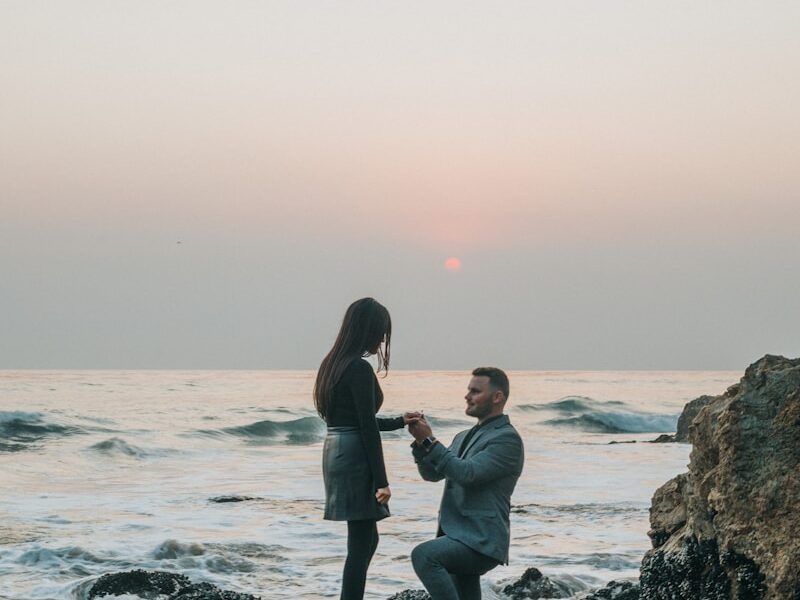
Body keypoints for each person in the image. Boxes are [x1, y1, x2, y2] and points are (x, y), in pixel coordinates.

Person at [314, 297, 419, 600]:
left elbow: (354, 421)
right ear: (367, 330)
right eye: (381, 332)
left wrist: (401, 420)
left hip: (337, 449)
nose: (383, 340)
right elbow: (367, 428)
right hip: (355, 456)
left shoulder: (332, 365)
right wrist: (382, 481)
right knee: (361, 545)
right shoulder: (358, 369)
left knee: (365, 540)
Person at [407, 367, 524, 600]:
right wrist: (421, 444)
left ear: (497, 397)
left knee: (425, 556)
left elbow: (468, 474)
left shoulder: (507, 439)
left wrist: (430, 442)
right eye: (468, 390)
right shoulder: (463, 436)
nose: (467, 396)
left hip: (482, 539)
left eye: (475, 391)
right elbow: (432, 474)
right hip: (458, 534)